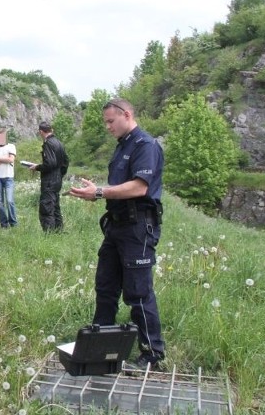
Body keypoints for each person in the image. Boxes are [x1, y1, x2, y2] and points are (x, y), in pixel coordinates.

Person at [67, 98, 165, 369]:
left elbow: (138, 187)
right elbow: (119, 187)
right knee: (106, 286)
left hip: (137, 228)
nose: (108, 127)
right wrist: (97, 189)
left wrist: (99, 191)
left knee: (138, 292)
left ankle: (152, 352)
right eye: (106, 122)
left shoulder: (146, 145)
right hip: (116, 226)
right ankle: (100, 344)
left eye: (111, 121)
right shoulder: (123, 146)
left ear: (127, 115)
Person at [29, 121, 68, 232]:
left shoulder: (48, 144)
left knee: (46, 207)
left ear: (41, 132)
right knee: (55, 206)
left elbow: (50, 163)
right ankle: (59, 231)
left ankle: (49, 234)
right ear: (52, 130)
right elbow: (66, 161)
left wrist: (37, 167)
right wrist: (60, 174)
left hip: (49, 181)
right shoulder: (59, 143)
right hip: (57, 180)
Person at [0, 128, 18, 228]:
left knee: (10, 201)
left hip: (8, 177)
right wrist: (5, 159)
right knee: (0, 202)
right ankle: (4, 224)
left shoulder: (11, 146)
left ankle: (13, 223)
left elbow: (11, 159)